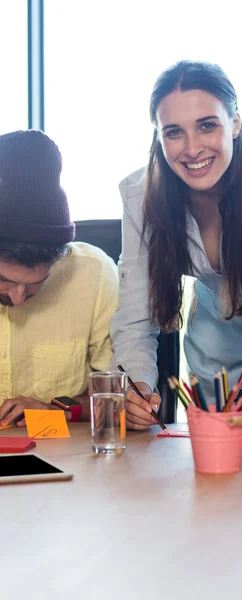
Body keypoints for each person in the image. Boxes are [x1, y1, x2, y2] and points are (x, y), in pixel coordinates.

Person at [111, 60, 242, 430]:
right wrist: (135, 387)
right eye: (173, 132)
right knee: (211, 473)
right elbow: (135, 313)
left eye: (207, 125)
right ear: (158, 136)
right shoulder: (139, 194)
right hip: (211, 346)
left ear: (235, 122)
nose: (192, 149)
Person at [0, 129, 119, 427]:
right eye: (3, 279)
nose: (18, 297)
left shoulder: (93, 273)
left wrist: (59, 412)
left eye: (36, 283)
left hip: (67, 459)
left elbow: (119, 395)